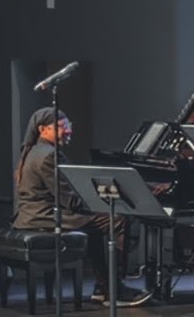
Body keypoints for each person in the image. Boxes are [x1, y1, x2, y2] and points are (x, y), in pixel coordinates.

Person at [12, 106, 151, 306]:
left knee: (96, 224)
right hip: (43, 216)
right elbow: (68, 199)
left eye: (68, 125)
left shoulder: (35, 151)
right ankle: (115, 289)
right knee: (118, 219)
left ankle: (104, 286)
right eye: (61, 127)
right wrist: (103, 200)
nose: (68, 130)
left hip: (34, 214)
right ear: (43, 130)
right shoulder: (48, 155)